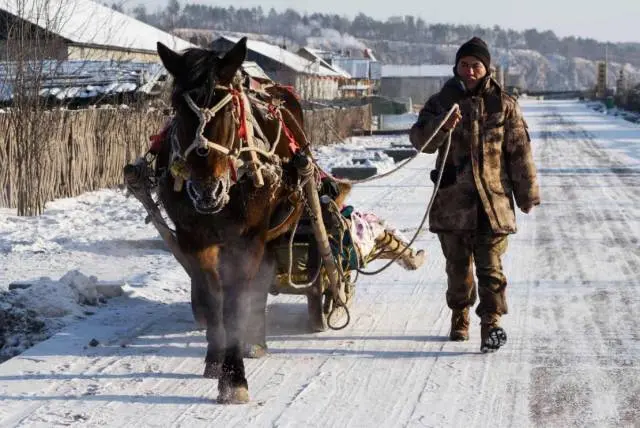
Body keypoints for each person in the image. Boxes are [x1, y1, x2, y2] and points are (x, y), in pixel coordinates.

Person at [409, 37, 540, 353]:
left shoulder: (503, 105)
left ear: (486, 69)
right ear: (456, 67)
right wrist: (442, 126)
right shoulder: (441, 102)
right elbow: (421, 142)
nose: (469, 71)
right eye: (464, 65)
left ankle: (491, 324)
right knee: (458, 271)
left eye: (476, 65)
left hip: (491, 203)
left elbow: (519, 151)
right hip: (453, 204)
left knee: (491, 270)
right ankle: (460, 315)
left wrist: (527, 195)